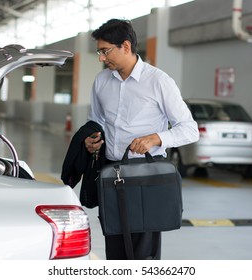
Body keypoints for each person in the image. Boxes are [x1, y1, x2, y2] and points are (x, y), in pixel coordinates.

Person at [85, 18, 199, 260]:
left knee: (143, 251)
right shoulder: (101, 81)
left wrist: (156, 138)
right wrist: (92, 140)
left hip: (145, 174)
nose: (101, 58)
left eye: (105, 51)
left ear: (125, 46)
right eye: (99, 52)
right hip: (110, 171)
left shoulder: (159, 81)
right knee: (114, 245)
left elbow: (190, 129)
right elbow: (96, 121)